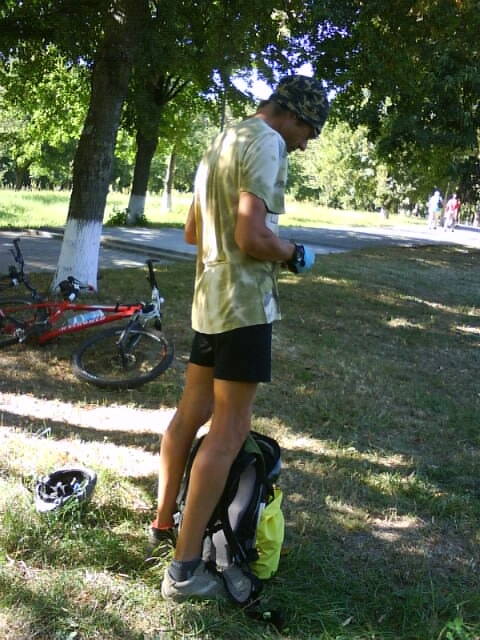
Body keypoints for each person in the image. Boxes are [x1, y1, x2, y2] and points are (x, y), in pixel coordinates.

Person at [148, 75, 329, 602]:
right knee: (229, 432)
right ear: (292, 115)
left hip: (209, 299)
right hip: (244, 305)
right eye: (310, 131)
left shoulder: (225, 138)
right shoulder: (268, 143)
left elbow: (192, 231)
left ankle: (163, 524)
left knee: (190, 414)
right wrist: (293, 253)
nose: (306, 143)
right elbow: (252, 236)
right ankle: (184, 571)